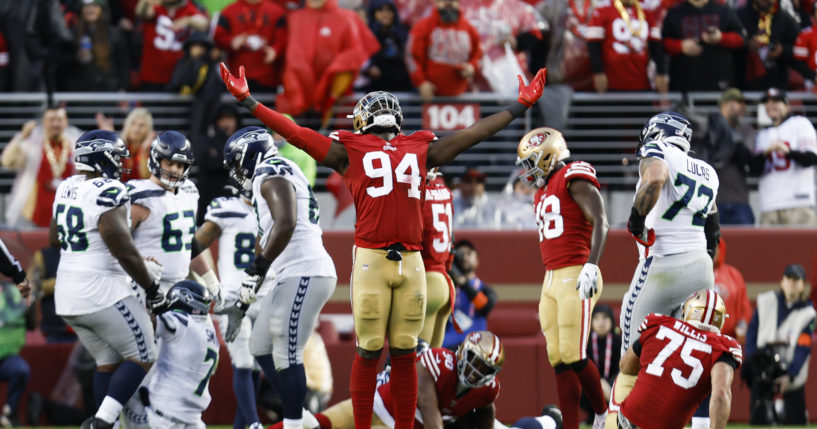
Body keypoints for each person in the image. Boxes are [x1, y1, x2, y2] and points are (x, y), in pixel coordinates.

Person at [220, 60, 546, 429]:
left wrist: (249, 101)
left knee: (370, 353)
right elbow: (473, 134)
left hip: (374, 260)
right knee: (405, 355)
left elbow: (295, 132)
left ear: (362, 122)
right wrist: (519, 106)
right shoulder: (419, 147)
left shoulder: (351, 148)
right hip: (412, 262)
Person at [221, 126, 337, 429]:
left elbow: (285, 224)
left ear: (249, 154)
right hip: (292, 272)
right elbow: (268, 235)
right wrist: (246, 294)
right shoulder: (282, 168)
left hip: (305, 269)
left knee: (287, 352)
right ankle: (304, 418)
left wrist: (258, 270)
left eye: (236, 162)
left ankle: (294, 423)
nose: (236, 171)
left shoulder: (267, 171)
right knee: (259, 345)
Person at [611, 111, 720, 429]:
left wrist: (635, 218)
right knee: (686, 363)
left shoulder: (657, 151)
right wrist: (704, 260)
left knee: (632, 362)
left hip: (661, 265)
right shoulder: (708, 171)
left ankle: (617, 423)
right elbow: (713, 228)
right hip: (700, 266)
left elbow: (656, 177)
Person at [50, 130, 166, 429]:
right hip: (99, 290)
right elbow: (123, 248)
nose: (121, 162)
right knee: (144, 353)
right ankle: (101, 423)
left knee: (108, 361)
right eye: (117, 156)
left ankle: (108, 425)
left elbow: (54, 239)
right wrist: (151, 287)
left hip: (66, 293)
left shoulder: (67, 187)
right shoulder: (109, 191)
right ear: (103, 158)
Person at [515, 127, 609, 429]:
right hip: (551, 277)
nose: (527, 171)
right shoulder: (543, 189)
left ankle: (603, 413)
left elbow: (601, 221)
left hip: (575, 271)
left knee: (573, 352)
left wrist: (592, 265)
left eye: (531, 162)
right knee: (558, 357)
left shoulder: (573, 175)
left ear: (548, 156)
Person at [285, 331, 510, 429]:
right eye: (474, 362)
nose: (474, 372)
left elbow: (484, 414)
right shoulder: (433, 364)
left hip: (407, 422)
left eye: (483, 369)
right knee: (315, 423)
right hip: (380, 405)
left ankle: (546, 421)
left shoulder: (483, 389)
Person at [194, 188, 268, 429]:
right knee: (244, 362)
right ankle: (254, 423)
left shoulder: (268, 209)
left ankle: (243, 425)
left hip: (261, 293)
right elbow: (198, 243)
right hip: (234, 296)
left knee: (255, 365)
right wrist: (212, 281)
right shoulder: (229, 207)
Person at [615, 290, 742, 429]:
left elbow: (625, 366)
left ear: (688, 309)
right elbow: (720, 396)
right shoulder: (722, 347)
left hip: (627, 419)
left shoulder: (659, 323)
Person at [128, 131, 221, 301]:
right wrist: (140, 264)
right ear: (156, 160)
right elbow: (114, 246)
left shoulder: (189, 191)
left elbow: (187, 242)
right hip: (143, 287)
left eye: (180, 166)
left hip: (180, 286)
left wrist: (210, 278)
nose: (174, 170)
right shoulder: (140, 197)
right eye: (169, 163)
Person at [275, 0, 379, 127]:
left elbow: (355, 51)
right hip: (299, 95)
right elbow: (287, 54)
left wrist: (332, 76)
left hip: (335, 98)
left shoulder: (347, 17)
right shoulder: (294, 18)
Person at [743, 264, 815, 425]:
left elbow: (803, 348)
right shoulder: (766, 302)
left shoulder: (808, 313)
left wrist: (789, 375)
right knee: (759, 420)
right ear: (782, 281)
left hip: (790, 369)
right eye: (789, 279)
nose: (792, 283)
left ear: (803, 285)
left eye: (797, 280)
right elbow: (751, 335)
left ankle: (786, 410)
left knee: (795, 421)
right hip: (764, 367)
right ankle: (766, 408)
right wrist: (755, 364)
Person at [1, 106, 82, 227]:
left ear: (66, 122)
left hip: (67, 216)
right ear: (44, 122)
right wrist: (21, 137)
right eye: (51, 120)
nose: (55, 124)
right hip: (33, 216)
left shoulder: (75, 143)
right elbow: (7, 161)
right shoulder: (31, 143)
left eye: (59, 119)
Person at [751, 87, 817, 225]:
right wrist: (765, 154)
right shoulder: (762, 135)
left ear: (787, 106)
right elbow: (754, 169)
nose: (770, 105)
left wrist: (788, 151)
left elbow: (811, 159)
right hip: (769, 205)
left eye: (776, 101)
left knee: (803, 246)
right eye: (767, 102)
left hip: (798, 202)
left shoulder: (800, 123)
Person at [691, 88, 755, 225]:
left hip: (739, 199)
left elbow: (747, 158)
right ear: (726, 104)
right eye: (739, 103)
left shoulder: (745, 129)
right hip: (713, 201)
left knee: (747, 244)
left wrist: (731, 138)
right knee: (713, 245)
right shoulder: (708, 126)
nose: (743, 108)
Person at [406, 0, 482, 102]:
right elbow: (412, 57)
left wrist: (471, 67)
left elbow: (478, 54)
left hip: (462, 96)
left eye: (452, 1)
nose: (448, 4)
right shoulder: (422, 26)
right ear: (436, 2)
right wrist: (421, 82)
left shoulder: (469, 29)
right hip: (428, 96)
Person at [661, 0, 746, 92]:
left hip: (720, 85)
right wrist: (681, 46)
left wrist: (721, 38)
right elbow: (662, 44)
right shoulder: (674, 12)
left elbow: (742, 39)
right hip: (684, 86)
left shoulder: (723, 10)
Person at [586, 0, 667, 93]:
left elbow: (655, 45)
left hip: (641, 82)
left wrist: (661, 73)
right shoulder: (603, 8)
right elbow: (593, 44)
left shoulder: (646, 9)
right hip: (612, 83)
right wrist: (598, 72)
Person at [135, 0, 208, 91]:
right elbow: (141, 12)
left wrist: (188, 20)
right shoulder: (156, 7)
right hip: (152, 75)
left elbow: (204, 24)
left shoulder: (189, 8)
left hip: (179, 77)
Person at [214, 0, 286, 92]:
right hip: (237, 78)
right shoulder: (229, 11)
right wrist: (231, 42)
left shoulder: (276, 11)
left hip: (267, 78)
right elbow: (218, 37)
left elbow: (284, 39)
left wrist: (275, 50)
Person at [420, 168, 455, 348]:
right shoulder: (445, 192)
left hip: (426, 283)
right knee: (432, 366)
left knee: (417, 362)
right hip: (445, 282)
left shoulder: (416, 195)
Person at [63, 0, 129, 92]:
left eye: (94, 6)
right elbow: (61, 65)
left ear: (102, 10)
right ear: (81, 10)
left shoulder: (114, 34)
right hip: (80, 91)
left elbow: (123, 63)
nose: (90, 10)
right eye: (86, 7)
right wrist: (75, 57)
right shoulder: (72, 34)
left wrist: (123, 87)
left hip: (109, 90)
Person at [443, 240, 497, 349]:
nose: (465, 258)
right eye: (460, 254)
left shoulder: (483, 288)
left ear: (477, 260)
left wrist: (463, 282)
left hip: (474, 347)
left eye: (469, 254)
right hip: (447, 345)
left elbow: (485, 306)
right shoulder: (447, 287)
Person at [736, 0, 800, 90]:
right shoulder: (739, 15)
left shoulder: (784, 18)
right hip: (744, 85)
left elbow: (800, 48)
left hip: (776, 86)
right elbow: (727, 46)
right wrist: (746, 45)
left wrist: (782, 50)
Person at [194, 103, 241, 222]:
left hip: (236, 202)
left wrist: (217, 155)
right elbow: (205, 162)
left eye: (230, 118)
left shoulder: (244, 142)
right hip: (209, 203)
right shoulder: (205, 141)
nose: (226, 123)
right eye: (222, 119)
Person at [362, 0, 413, 93]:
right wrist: (369, 67)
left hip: (402, 86)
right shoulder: (366, 34)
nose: (385, 14)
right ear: (373, 13)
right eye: (380, 11)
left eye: (389, 10)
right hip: (374, 88)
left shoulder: (403, 33)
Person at [581, 304, 619, 425]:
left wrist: (610, 384)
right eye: (596, 318)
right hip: (592, 388)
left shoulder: (619, 341)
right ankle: (592, 417)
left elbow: (622, 369)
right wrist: (598, 382)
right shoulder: (585, 342)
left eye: (605, 318)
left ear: (611, 320)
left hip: (612, 388)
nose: (601, 323)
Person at [0, 280, 31, 426]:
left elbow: (30, 322)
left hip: (6, 356)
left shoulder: (11, 291)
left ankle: (10, 413)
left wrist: (33, 298)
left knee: (21, 370)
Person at [712, 239, 752, 343]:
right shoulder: (696, 273)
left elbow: (744, 309)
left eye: (716, 247)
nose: (713, 250)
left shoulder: (733, 275)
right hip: (701, 337)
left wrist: (742, 326)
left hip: (728, 340)